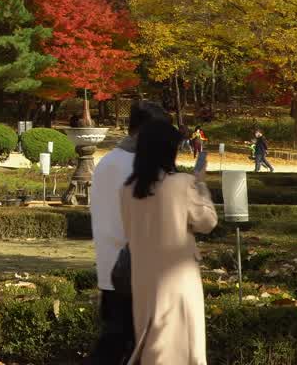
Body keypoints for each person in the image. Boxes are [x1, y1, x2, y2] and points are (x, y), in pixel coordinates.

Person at [121, 104, 217, 365]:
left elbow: (130, 230)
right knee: (181, 347)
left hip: (143, 276)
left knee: (152, 344)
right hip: (177, 276)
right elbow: (207, 222)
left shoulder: (128, 189)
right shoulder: (181, 184)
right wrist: (200, 185)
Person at [87, 101, 143, 365]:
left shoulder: (108, 160)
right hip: (133, 267)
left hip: (111, 265)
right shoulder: (136, 164)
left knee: (116, 338)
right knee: (120, 341)